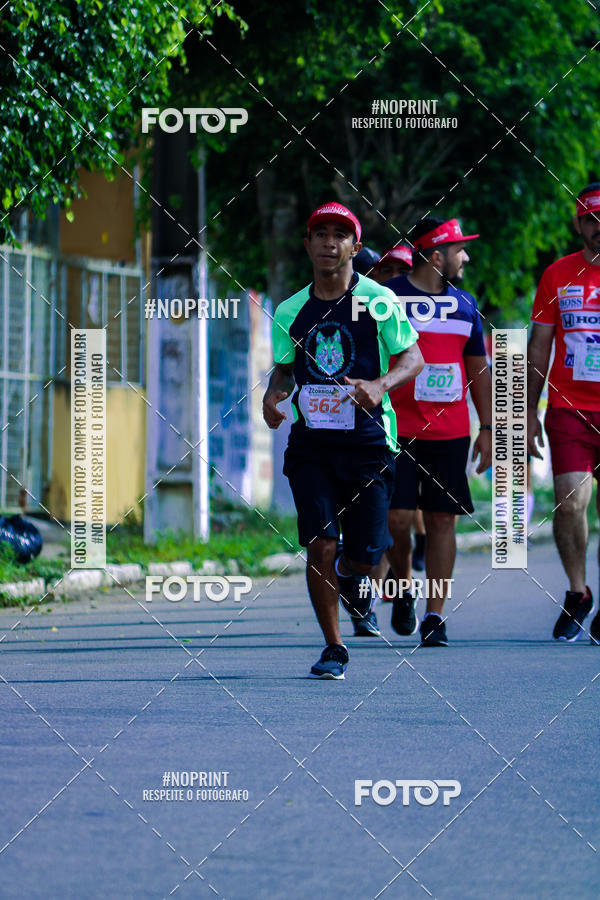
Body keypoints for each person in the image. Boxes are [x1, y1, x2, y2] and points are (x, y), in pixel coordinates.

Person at [262, 202, 423, 678]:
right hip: (311, 445)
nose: (329, 243)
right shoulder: (291, 309)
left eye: (339, 235)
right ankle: (333, 646)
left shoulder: (378, 300)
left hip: (370, 443)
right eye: (320, 234)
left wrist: (378, 386)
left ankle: (357, 577)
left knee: (363, 554)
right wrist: (273, 397)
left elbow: (413, 358)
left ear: (354, 245)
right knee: (321, 546)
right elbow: (284, 370)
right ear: (308, 244)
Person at [385, 217, 492, 646]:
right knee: (395, 518)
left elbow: (478, 370)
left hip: (449, 433)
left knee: (441, 520)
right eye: (459, 250)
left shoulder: (466, 305)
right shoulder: (388, 300)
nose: (464, 257)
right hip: (396, 431)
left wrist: (487, 427)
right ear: (436, 256)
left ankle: (435, 615)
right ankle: (402, 585)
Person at [528, 182, 600, 644]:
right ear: (579, 223)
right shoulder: (558, 275)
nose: (599, 229)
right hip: (569, 408)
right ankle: (578, 592)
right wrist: (527, 410)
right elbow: (538, 345)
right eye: (591, 220)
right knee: (570, 501)